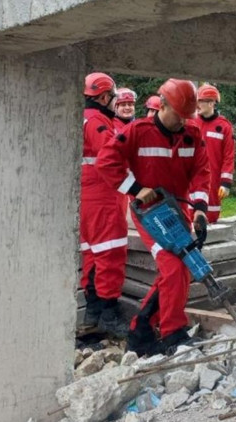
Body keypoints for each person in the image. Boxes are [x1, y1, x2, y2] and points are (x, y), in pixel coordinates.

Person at [96, 78, 211, 356]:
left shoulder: (192, 133)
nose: (182, 122)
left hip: (177, 212)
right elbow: (105, 162)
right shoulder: (138, 131)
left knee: (182, 268)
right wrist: (136, 189)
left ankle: (141, 331)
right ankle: (172, 333)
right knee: (174, 268)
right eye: (179, 115)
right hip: (150, 214)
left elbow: (201, 172)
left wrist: (200, 208)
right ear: (163, 105)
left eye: (187, 117)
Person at [79, 72, 130, 338]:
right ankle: (109, 313)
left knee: (92, 253)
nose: (115, 102)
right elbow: (111, 157)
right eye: (112, 97)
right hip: (104, 196)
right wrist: (136, 187)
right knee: (110, 253)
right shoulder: (97, 121)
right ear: (102, 97)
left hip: (88, 196)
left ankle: (93, 311)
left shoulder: (83, 117)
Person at [187, 84, 236, 223]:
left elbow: (229, 156)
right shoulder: (191, 122)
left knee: (210, 216)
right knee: (188, 213)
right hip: (191, 176)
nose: (197, 105)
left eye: (200, 101)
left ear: (211, 103)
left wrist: (225, 183)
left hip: (213, 180)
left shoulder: (224, 127)